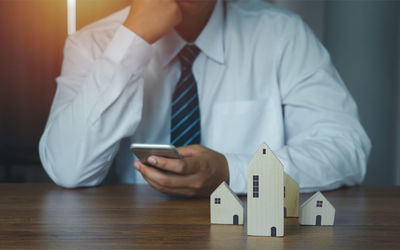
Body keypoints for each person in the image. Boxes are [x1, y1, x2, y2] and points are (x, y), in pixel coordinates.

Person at [39, 0, 371, 196]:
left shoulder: (283, 34)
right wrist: (133, 41)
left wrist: (232, 172)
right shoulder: (93, 44)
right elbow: (69, 169)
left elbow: (345, 150)